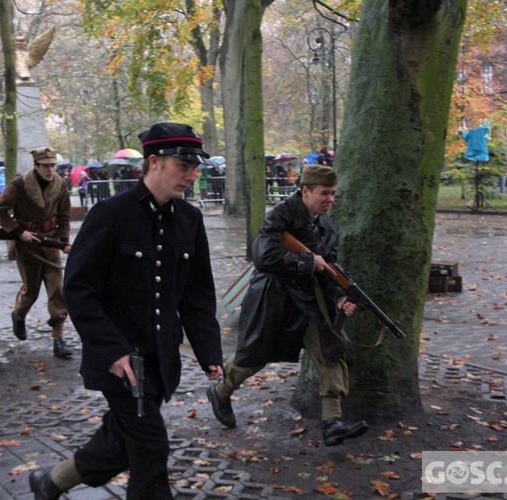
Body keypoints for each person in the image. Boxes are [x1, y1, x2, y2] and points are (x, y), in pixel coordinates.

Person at [28, 122, 224, 499]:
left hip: (161, 359)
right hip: (119, 361)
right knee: (151, 447)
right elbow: (79, 290)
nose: (191, 174)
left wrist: (209, 352)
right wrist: (112, 349)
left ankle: (51, 482)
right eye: (182, 165)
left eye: (194, 166)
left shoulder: (190, 219)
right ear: (153, 162)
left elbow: (197, 295)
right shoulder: (110, 215)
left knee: (122, 439)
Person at [206, 165, 368, 447]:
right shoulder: (281, 214)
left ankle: (332, 422)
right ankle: (221, 391)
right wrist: (307, 262)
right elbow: (264, 256)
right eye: (324, 193)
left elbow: (329, 269)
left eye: (333, 194)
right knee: (254, 355)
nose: (330, 199)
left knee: (331, 351)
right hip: (275, 299)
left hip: (310, 303)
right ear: (306, 191)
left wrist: (339, 298)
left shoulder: (327, 224)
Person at [0, 147, 74, 359]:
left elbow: (65, 215)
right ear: (36, 166)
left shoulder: (61, 184)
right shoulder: (19, 185)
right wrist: (19, 232)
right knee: (31, 291)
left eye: (53, 166)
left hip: (51, 242)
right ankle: (18, 315)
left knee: (57, 290)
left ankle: (58, 338)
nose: (50, 170)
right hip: (27, 246)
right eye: (46, 166)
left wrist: (64, 241)